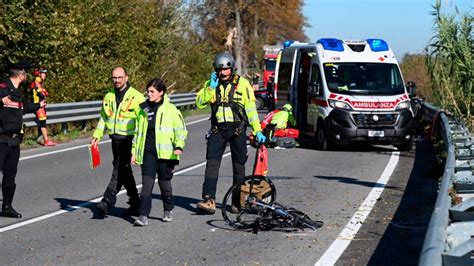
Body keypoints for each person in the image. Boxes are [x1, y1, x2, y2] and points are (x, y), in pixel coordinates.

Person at [195, 52, 266, 214]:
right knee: (212, 165)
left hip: (237, 130)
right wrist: (210, 89)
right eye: (220, 70)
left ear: (232, 69)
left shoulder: (243, 84)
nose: (223, 73)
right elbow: (199, 103)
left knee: (239, 166)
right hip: (217, 130)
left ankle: (237, 201)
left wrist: (257, 129)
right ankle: (209, 200)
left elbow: (251, 110)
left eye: (226, 70)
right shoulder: (211, 84)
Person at [131, 79, 187, 226]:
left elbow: (181, 130)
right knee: (146, 185)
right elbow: (137, 133)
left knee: (164, 184)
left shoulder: (171, 110)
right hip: (148, 153)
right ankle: (143, 215)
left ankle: (168, 209)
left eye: (152, 92)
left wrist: (179, 146)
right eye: (147, 91)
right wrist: (134, 152)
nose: (148, 94)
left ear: (161, 92)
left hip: (166, 154)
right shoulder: (142, 109)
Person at [91, 66, 145, 218]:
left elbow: (142, 123)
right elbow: (104, 116)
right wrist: (98, 133)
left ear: (126, 78)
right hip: (114, 139)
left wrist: (137, 145)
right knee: (124, 171)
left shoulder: (137, 97)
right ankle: (135, 203)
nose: (117, 80)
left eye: (120, 77)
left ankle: (107, 201)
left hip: (129, 139)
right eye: (114, 77)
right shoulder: (109, 96)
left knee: (119, 169)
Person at [0, 60, 46, 218]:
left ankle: (7, 206)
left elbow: (24, 107)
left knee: (10, 176)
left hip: (14, 142)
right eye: (25, 72)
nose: (26, 75)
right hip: (1, 140)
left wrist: (39, 104)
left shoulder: (18, 94)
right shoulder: (2, 89)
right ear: (21, 74)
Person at [30, 66, 56, 146]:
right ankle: (46, 140)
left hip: (41, 105)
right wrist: (44, 92)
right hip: (38, 105)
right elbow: (41, 95)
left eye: (45, 73)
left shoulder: (40, 82)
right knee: (43, 122)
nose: (45, 75)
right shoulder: (37, 82)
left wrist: (44, 92)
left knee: (43, 122)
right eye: (43, 73)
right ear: (39, 74)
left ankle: (44, 139)